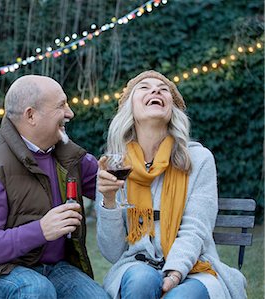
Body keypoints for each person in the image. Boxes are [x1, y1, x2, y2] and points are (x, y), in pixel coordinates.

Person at [0, 75, 110, 299]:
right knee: (36, 290)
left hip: (51, 267)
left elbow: (108, 183)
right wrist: (41, 230)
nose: (70, 113)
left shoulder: (67, 154)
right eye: (61, 105)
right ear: (31, 115)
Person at [96, 70, 247, 298]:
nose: (156, 90)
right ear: (130, 108)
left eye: (163, 89)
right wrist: (108, 201)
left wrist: (175, 273)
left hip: (194, 267)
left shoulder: (198, 159)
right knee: (140, 281)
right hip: (135, 265)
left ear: (172, 109)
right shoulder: (116, 164)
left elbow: (195, 228)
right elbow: (112, 252)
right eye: (144, 88)